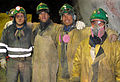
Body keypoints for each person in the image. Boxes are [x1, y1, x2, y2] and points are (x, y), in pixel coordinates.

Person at [57, 4, 118, 82]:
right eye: (63, 16)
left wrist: (112, 34)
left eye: (69, 15)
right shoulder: (58, 31)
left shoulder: (81, 31)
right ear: (61, 18)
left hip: (77, 76)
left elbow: (100, 29)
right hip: (61, 78)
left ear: (74, 17)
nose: (66, 18)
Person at [0, 6, 33, 82]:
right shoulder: (8, 30)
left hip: (26, 62)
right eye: (17, 16)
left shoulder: (30, 30)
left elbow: (34, 46)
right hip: (12, 62)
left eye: (22, 16)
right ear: (14, 18)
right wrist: (2, 59)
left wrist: (33, 59)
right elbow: (2, 45)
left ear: (24, 17)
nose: (19, 18)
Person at [32, 3, 62, 82]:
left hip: (49, 69)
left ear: (49, 15)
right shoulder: (35, 28)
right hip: (37, 69)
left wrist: (76, 26)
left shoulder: (57, 28)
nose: (43, 15)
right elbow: (22, 24)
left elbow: (67, 27)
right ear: (38, 16)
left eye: (45, 13)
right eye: (41, 14)